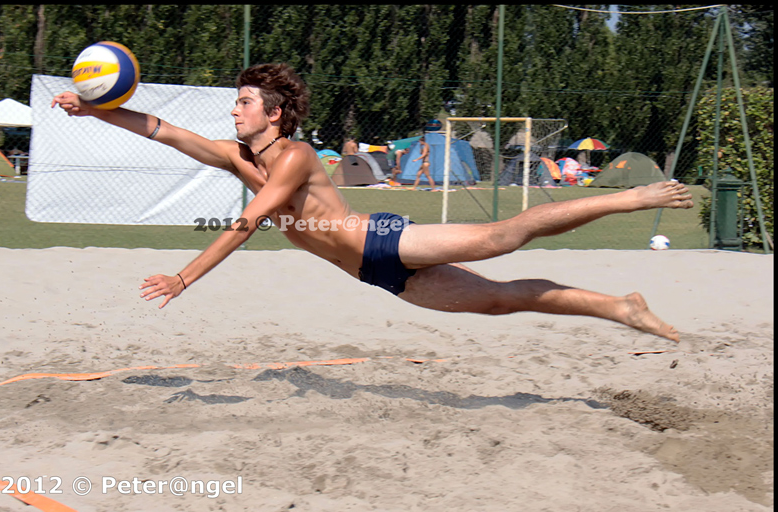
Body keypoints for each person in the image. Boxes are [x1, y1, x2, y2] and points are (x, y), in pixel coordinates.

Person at [52, 63, 694, 342]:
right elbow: (162, 131)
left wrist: (183, 277)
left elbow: (248, 225)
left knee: (503, 237)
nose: (233, 109)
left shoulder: (295, 157)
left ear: (273, 113)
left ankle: (628, 197)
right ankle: (621, 307)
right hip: (369, 271)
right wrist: (96, 109)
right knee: (502, 298)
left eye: (244, 101)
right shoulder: (237, 155)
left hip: (383, 239)